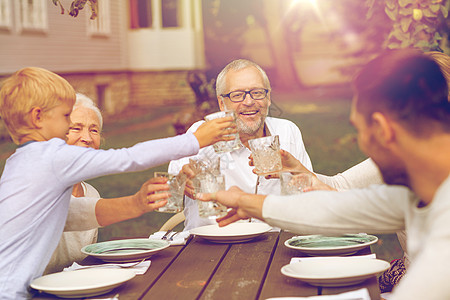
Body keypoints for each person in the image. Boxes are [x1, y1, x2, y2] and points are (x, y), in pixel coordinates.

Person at [198, 49, 450, 299]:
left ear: (384, 130)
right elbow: (337, 210)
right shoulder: (415, 190)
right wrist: (245, 202)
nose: (362, 145)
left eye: (358, 130)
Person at [0, 67, 236, 299]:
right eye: (65, 117)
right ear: (37, 117)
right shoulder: (51, 155)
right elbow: (128, 157)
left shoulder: (18, 162)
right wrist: (193, 140)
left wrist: (135, 203)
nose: (66, 127)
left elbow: (64, 212)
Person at [168, 59, 313, 230]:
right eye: (237, 95)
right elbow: (172, 186)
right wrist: (182, 180)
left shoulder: (287, 131)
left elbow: (308, 193)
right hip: (213, 244)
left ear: (268, 98)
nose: (249, 101)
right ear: (222, 103)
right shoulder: (202, 131)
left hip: (276, 244)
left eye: (257, 92)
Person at [44, 93, 171, 274]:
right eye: (76, 128)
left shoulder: (91, 193)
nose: (87, 138)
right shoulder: (40, 189)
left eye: (94, 130)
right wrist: (136, 203)